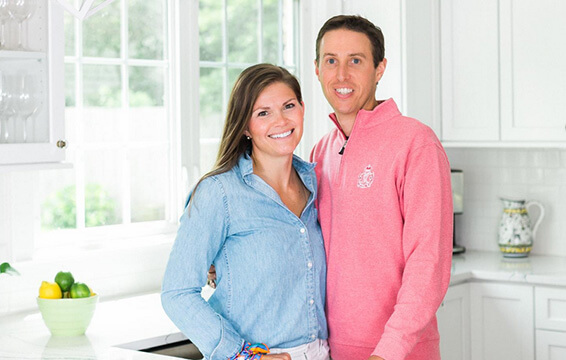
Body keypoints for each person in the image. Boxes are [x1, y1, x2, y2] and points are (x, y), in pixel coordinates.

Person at [161, 64, 329, 360]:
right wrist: (241, 355)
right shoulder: (219, 193)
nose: (280, 120)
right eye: (263, 113)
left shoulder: (318, 183)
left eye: (288, 106)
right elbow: (177, 293)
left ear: (302, 109)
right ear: (245, 126)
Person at [310, 15, 453, 360]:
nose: (341, 75)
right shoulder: (320, 151)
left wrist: (388, 352)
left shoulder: (415, 143)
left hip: (400, 353)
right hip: (329, 349)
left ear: (379, 69)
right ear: (317, 69)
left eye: (355, 61)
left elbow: (428, 262)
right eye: (331, 61)